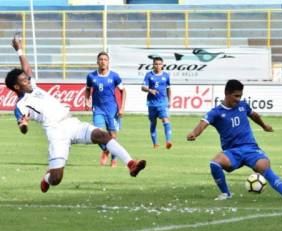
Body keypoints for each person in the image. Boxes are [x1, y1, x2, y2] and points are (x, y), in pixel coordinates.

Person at [5, 36, 146, 193]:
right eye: (24, 80)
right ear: (17, 86)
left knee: (103, 136)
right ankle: (47, 178)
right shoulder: (20, 104)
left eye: (27, 78)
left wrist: (19, 49)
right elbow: (22, 124)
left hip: (71, 123)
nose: (29, 80)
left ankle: (131, 164)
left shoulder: (34, 86)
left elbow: (26, 68)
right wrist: (24, 125)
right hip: (56, 133)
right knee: (56, 179)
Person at [187, 79, 282, 202]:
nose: (238, 99)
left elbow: (254, 115)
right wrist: (194, 133)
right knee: (215, 163)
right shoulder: (216, 112)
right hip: (232, 152)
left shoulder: (243, 105)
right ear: (226, 93)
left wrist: (264, 126)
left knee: (264, 166)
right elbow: (203, 124)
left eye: (240, 96)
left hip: (251, 149)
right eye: (236, 96)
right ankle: (225, 193)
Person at [85, 51, 126, 168]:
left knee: (112, 135)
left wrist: (122, 107)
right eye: (101, 59)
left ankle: (114, 159)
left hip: (112, 110)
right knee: (97, 133)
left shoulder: (114, 76)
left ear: (108, 62)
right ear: (97, 62)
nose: (103, 61)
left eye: (105, 59)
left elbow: (124, 91)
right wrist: (86, 100)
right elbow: (88, 89)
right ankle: (106, 149)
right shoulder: (91, 76)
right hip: (97, 109)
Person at [141, 56, 172, 149]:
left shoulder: (166, 75)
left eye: (159, 64)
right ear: (153, 65)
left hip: (162, 103)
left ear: (162, 65)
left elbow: (169, 89)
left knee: (165, 120)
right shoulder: (149, 75)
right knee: (153, 123)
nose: (158, 66)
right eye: (156, 64)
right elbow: (143, 87)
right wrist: (150, 90)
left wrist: (169, 101)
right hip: (151, 103)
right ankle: (155, 143)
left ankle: (168, 141)